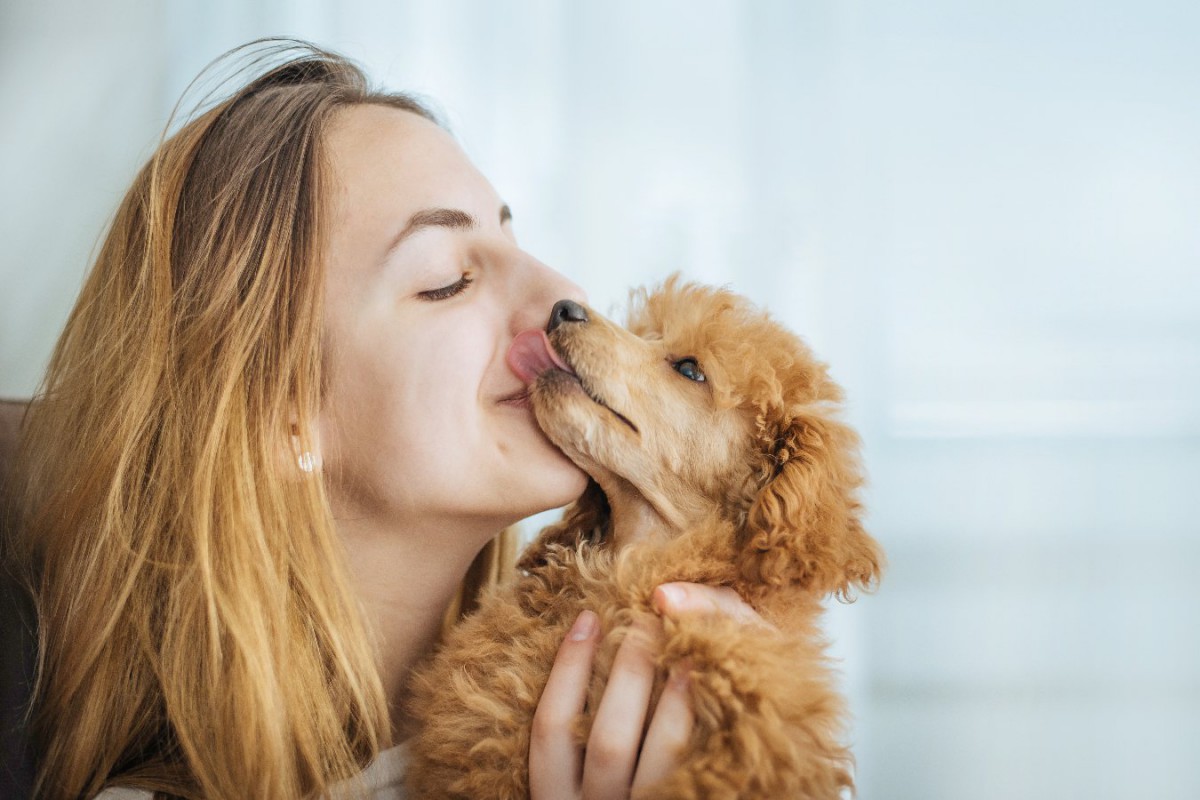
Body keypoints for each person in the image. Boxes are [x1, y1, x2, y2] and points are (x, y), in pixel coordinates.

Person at [7, 40, 763, 799]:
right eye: (448, 281)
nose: (565, 294)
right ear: (284, 417)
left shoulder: (669, 713)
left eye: (514, 237)